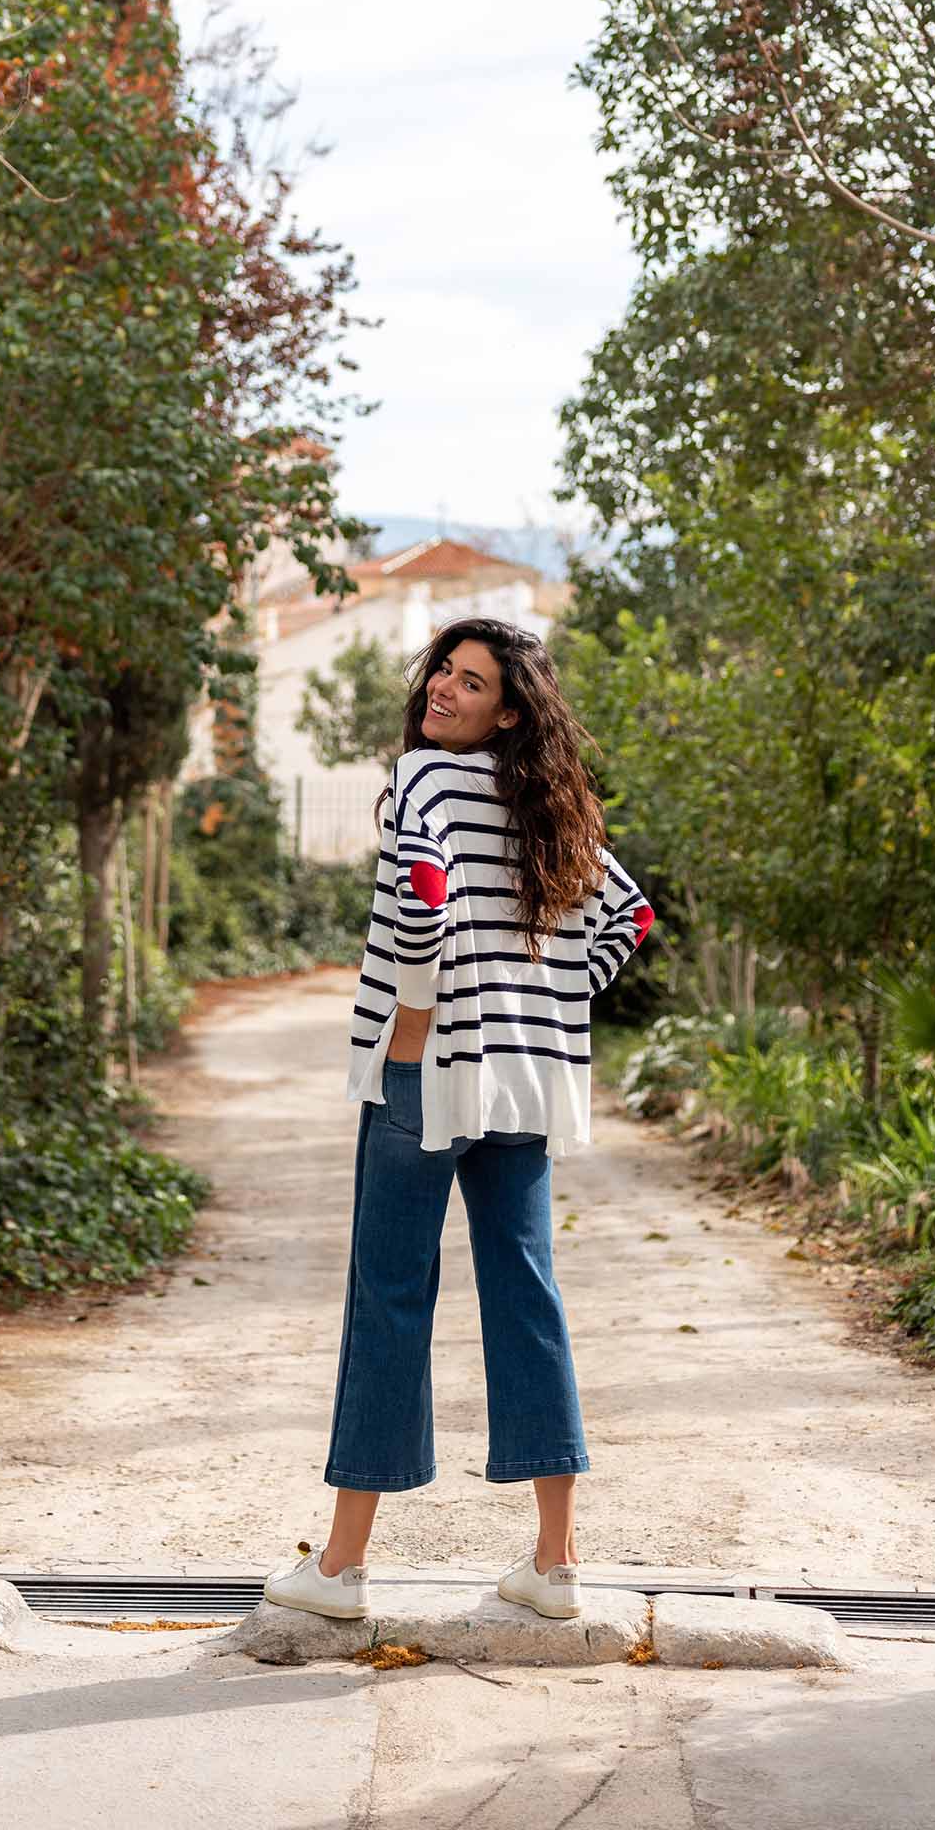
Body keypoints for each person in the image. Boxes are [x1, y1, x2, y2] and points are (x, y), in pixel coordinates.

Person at [264, 616, 652, 1626]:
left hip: (427, 1075)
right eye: (444, 667)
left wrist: (419, 1018)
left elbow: (427, 902)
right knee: (528, 1298)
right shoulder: (553, 808)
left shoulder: (425, 780)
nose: (442, 686)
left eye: (470, 682)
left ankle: (342, 1571)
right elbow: (631, 919)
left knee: (388, 1298)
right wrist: (551, 1006)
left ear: (506, 710)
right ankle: (555, 1565)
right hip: (523, 1083)